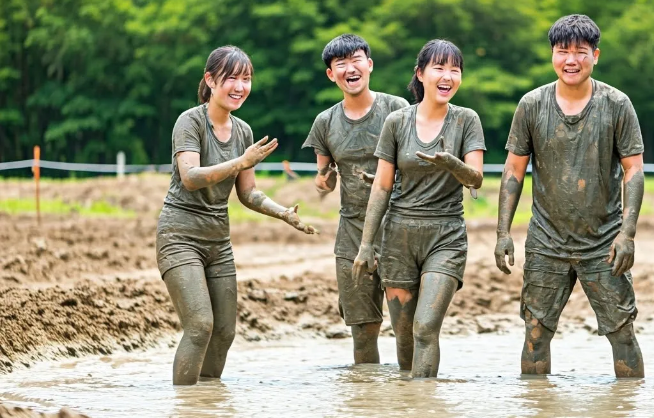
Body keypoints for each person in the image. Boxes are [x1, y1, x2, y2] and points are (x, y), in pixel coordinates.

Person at [495, 14, 645, 377]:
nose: (571, 60)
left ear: (596, 55)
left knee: (622, 333)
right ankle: (537, 404)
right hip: (546, 241)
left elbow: (634, 171)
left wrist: (627, 234)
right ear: (552, 55)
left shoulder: (617, 104)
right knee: (535, 334)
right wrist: (502, 232)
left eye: (580, 52)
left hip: (604, 242)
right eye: (563, 51)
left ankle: (627, 404)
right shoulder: (532, 104)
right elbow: (513, 171)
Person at [156, 46, 317, 385]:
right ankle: (184, 403)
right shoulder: (190, 121)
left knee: (224, 332)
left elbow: (248, 193)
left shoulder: (243, 131)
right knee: (200, 326)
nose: (240, 87)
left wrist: (283, 213)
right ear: (210, 80)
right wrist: (241, 161)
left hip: (219, 242)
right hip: (180, 236)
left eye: (246, 79)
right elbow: (190, 176)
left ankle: (206, 403)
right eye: (232, 78)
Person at [352, 39, 485, 378]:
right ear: (421, 74)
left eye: (455, 70)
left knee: (425, 328)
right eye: (439, 68)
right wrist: (366, 244)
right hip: (398, 238)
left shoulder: (467, 120)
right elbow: (382, 186)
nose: (448, 76)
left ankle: (424, 399)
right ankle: (410, 402)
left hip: (446, 237)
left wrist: (451, 162)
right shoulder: (397, 122)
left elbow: (476, 178)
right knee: (405, 337)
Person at [302, 34, 409, 364]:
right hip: (351, 231)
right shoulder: (325, 122)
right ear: (331, 74)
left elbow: (414, 164)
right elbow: (323, 177)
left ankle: (412, 394)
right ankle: (365, 394)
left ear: (369, 65)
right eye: (341, 64)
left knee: (407, 329)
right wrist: (324, 181)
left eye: (356, 60)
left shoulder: (396, 109)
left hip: (400, 227)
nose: (350, 68)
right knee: (363, 330)